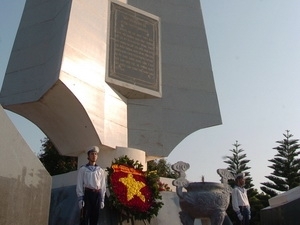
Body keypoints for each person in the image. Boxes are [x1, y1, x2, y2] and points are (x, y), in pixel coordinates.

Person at [76, 146, 106, 225]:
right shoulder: (83, 169)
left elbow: (103, 186)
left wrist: (102, 199)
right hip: (88, 195)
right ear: (88, 156)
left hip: (97, 195)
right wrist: (80, 198)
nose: (94, 156)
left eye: (95, 154)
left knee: (95, 218)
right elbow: (79, 184)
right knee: (84, 218)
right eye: (92, 154)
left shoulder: (100, 170)